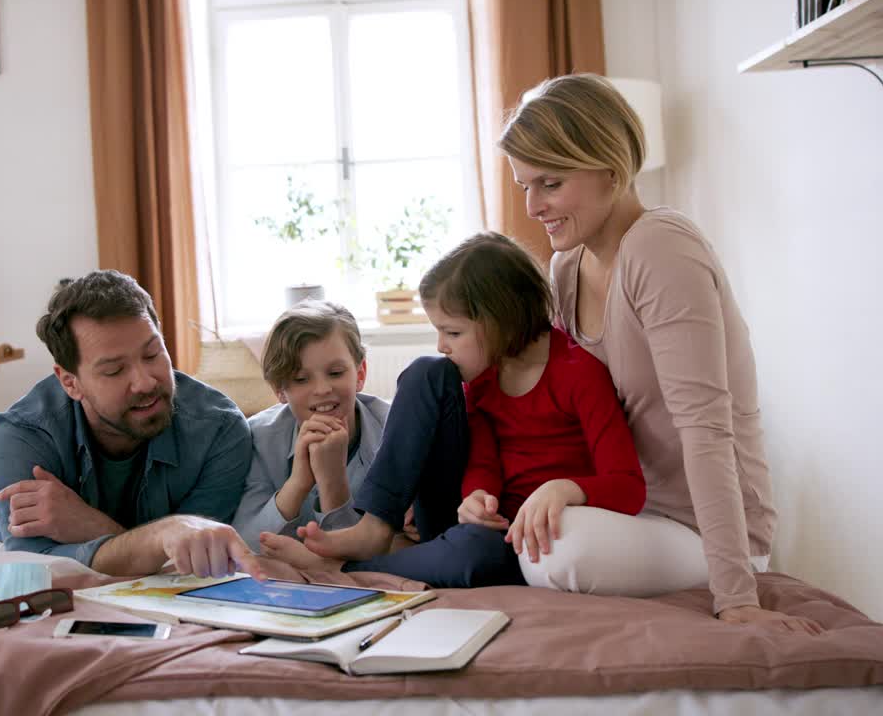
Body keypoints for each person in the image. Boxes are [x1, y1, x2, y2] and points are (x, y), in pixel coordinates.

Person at [498, 73, 821, 633]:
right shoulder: (567, 267)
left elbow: (705, 429)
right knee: (533, 530)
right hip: (629, 507)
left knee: (555, 549)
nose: (532, 207)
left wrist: (737, 599)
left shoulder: (661, 247)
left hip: (702, 528)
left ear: (609, 166)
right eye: (524, 185)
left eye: (549, 184)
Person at [261, 233, 646, 588]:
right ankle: (375, 527)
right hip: (468, 519)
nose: (443, 344)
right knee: (426, 371)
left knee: (475, 554)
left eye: (453, 332)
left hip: (512, 537)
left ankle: (345, 571)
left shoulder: (580, 375)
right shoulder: (480, 378)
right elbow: (482, 460)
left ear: (499, 321)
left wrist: (563, 489)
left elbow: (629, 486)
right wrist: (477, 496)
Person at [0, 270, 261, 580]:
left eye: (153, 354)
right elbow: (33, 569)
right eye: (115, 371)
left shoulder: (220, 429)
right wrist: (162, 538)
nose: (145, 382)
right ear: (70, 382)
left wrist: (90, 525)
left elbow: (188, 565)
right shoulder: (20, 437)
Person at [232, 301, 390, 549]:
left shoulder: (394, 429)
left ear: (360, 373)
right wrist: (299, 482)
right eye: (301, 379)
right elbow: (246, 546)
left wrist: (332, 482)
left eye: (336, 373)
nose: (323, 389)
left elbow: (371, 550)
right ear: (279, 390)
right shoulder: (258, 438)